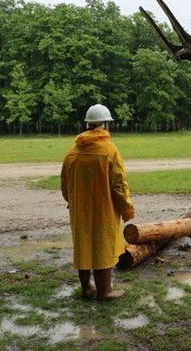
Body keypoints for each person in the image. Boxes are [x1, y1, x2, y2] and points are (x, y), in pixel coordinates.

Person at [61, 104, 134, 300]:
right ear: (105, 126)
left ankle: (86, 288)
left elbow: (64, 184)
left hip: (79, 211)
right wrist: (127, 210)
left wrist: (72, 201)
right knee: (103, 245)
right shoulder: (110, 150)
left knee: (83, 245)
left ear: (88, 125)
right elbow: (119, 185)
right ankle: (105, 291)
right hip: (104, 210)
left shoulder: (72, 151)